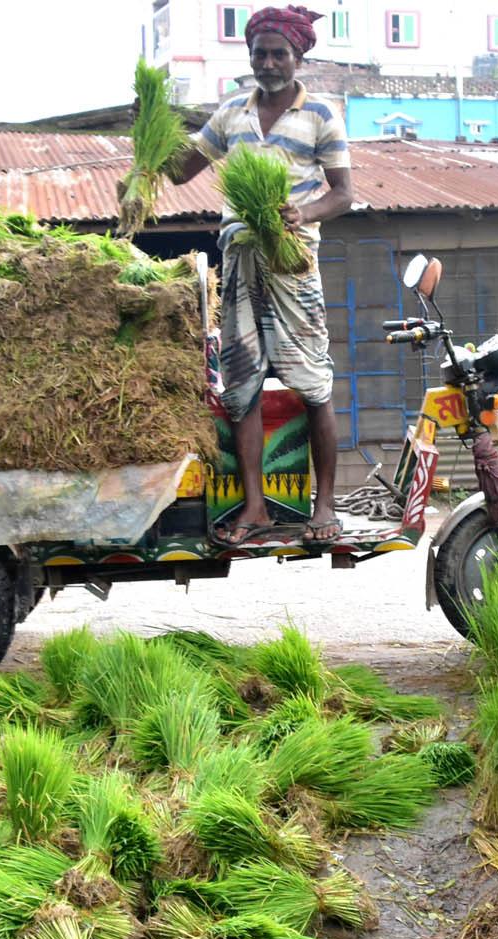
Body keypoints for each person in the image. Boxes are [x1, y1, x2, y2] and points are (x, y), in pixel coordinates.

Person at [169, 5, 353, 546]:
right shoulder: (230, 112)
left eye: (279, 53)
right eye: (260, 53)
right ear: (249, 57)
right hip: (243, 260)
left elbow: (343, 193)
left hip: (293, 262)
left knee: (314, 384)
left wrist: (304, 214)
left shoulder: (321, 113)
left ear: (298, 57)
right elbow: (183, 169)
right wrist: (153, 136)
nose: (269, 61)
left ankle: (325, 507)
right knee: (241, 388)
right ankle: (255, 508)